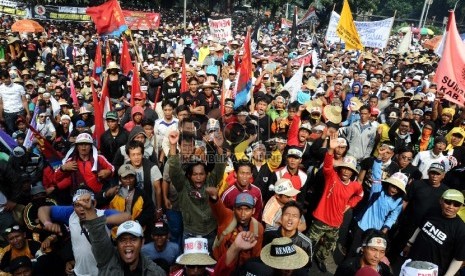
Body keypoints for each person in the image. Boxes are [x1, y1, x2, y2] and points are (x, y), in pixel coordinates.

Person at [38, 188, 131, 276]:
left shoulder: (102, 214)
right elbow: (43, 209)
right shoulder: (71, 214)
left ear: (94, 203)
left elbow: (127, 217)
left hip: (103, 273)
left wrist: (99, 222)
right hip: (80, 273)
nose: (82, 208)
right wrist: (47, 223)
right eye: (78, 205)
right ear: (73, 206)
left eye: (86, 204)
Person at [310, 133, 364, 272]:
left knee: (328, 245)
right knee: (310, 242)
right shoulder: (332, 177)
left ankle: (320, 258)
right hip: (321, 219)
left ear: (353, 173)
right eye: (344, 168)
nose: (346, 171)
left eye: (350, 170)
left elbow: (360, 195)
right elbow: (327, 166)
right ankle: (305, 259)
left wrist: (349, 204)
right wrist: (330, 150)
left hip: (336, 223)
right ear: (340, 169)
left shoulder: (355, 186)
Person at [167, 129, 226, 250]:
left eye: (201, 174)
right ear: (189, 175)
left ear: (206, 174)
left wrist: (219, 147)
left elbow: (220, 168)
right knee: (191, 267)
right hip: (190, 234)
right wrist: (173, 145)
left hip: (210, 233)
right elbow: (174, 170)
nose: (198, 178)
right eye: (195, 174)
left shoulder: (210, 182)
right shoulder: (182, 185)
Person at [80, 195, 165, 275]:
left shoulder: (155, 273)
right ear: (117, 244)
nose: (128, 244)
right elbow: (98, 236)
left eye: (133, 239)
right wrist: (90, 211)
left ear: (142, 242)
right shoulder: (107, 260)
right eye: (123, 240)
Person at [403, 189, 465, 276]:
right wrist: (409, 243)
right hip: (413, 260)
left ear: (461, 206)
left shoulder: (461, 229)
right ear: (441, 200)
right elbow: (420, 227)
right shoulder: (432, 211)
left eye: (456, 204)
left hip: (432, 271)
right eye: (448, 202)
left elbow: (458, 258)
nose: (451, 206)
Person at [207, 188, 263, 266]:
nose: (243, 214)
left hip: (242, 268)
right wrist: (214, 198)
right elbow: (218, 208)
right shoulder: (227, 217)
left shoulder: (258, 228)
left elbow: (256, 255)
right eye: (239, 209)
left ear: (253, 211)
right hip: (221, 265)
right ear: (233, 209)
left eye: (247, 210)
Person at [54, 133, 114, 204]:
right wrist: (63, 168)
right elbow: (56, 178)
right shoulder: (70, 161)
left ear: (91, 146)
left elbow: (112, 168)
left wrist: (108, 172)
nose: (83, 147)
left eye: (86, 144)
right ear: (77, 146)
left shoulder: (99, 158)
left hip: (97, 198)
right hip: (77, 199)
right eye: (80, 144)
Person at [108, 164, 155, 238]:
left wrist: (137, 222)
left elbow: (150, 210)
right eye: (125, 178)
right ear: (120, 179)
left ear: (135, 178)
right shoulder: (114, 193)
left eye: (131, 177)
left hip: (137, 231)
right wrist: (106, 194)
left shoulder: (141, 194)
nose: (128, 180)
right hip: (117, 232)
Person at [263, 201, 313, 267]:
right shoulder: (268, 233)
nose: (290, 218)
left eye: (295, 216)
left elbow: (306, 266)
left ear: (299, 221)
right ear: (281, 218)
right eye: (287, 214)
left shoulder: (306, 243)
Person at [0, 70, 31, 135]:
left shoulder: (19, 87)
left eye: (6, 78)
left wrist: (28, 113)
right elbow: (1, 103)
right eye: (3, 79)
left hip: (20, 111)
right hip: (8, 113)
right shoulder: (0, 88)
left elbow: (24, 101)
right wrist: (1, 115)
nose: (5, 80)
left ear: (9, 77)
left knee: (23, 130)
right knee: (11, 131)